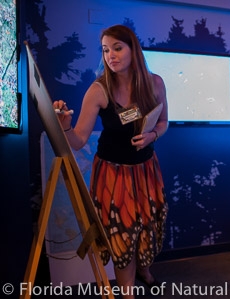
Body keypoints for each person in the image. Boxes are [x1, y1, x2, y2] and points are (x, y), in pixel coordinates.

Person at [53, 24, 169, 299]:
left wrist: (152, 134)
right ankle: (127, 293)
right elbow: (78, 140)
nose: (111, 55)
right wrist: (64, 126)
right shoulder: (98, 89)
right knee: (123, 234)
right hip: (113, 175)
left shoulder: (155, 83)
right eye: (105, 50)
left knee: (149, 228)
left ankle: (145, 270)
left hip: (146, 170)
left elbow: (164, 122)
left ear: (133, 50)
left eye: (117, 48)